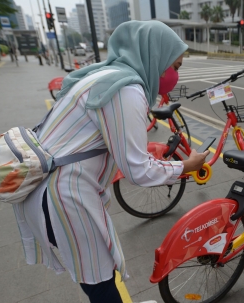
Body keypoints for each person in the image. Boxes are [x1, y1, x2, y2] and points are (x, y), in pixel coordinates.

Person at [12, 21, 208, 303]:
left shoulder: (104, 75)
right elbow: (138, 169)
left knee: (96, 274)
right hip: (64, 198)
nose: (176, 76)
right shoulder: (126, 90)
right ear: (156, 59)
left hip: (49, 192)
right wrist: (187, 166)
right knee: (99, 280)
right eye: (175, 66)